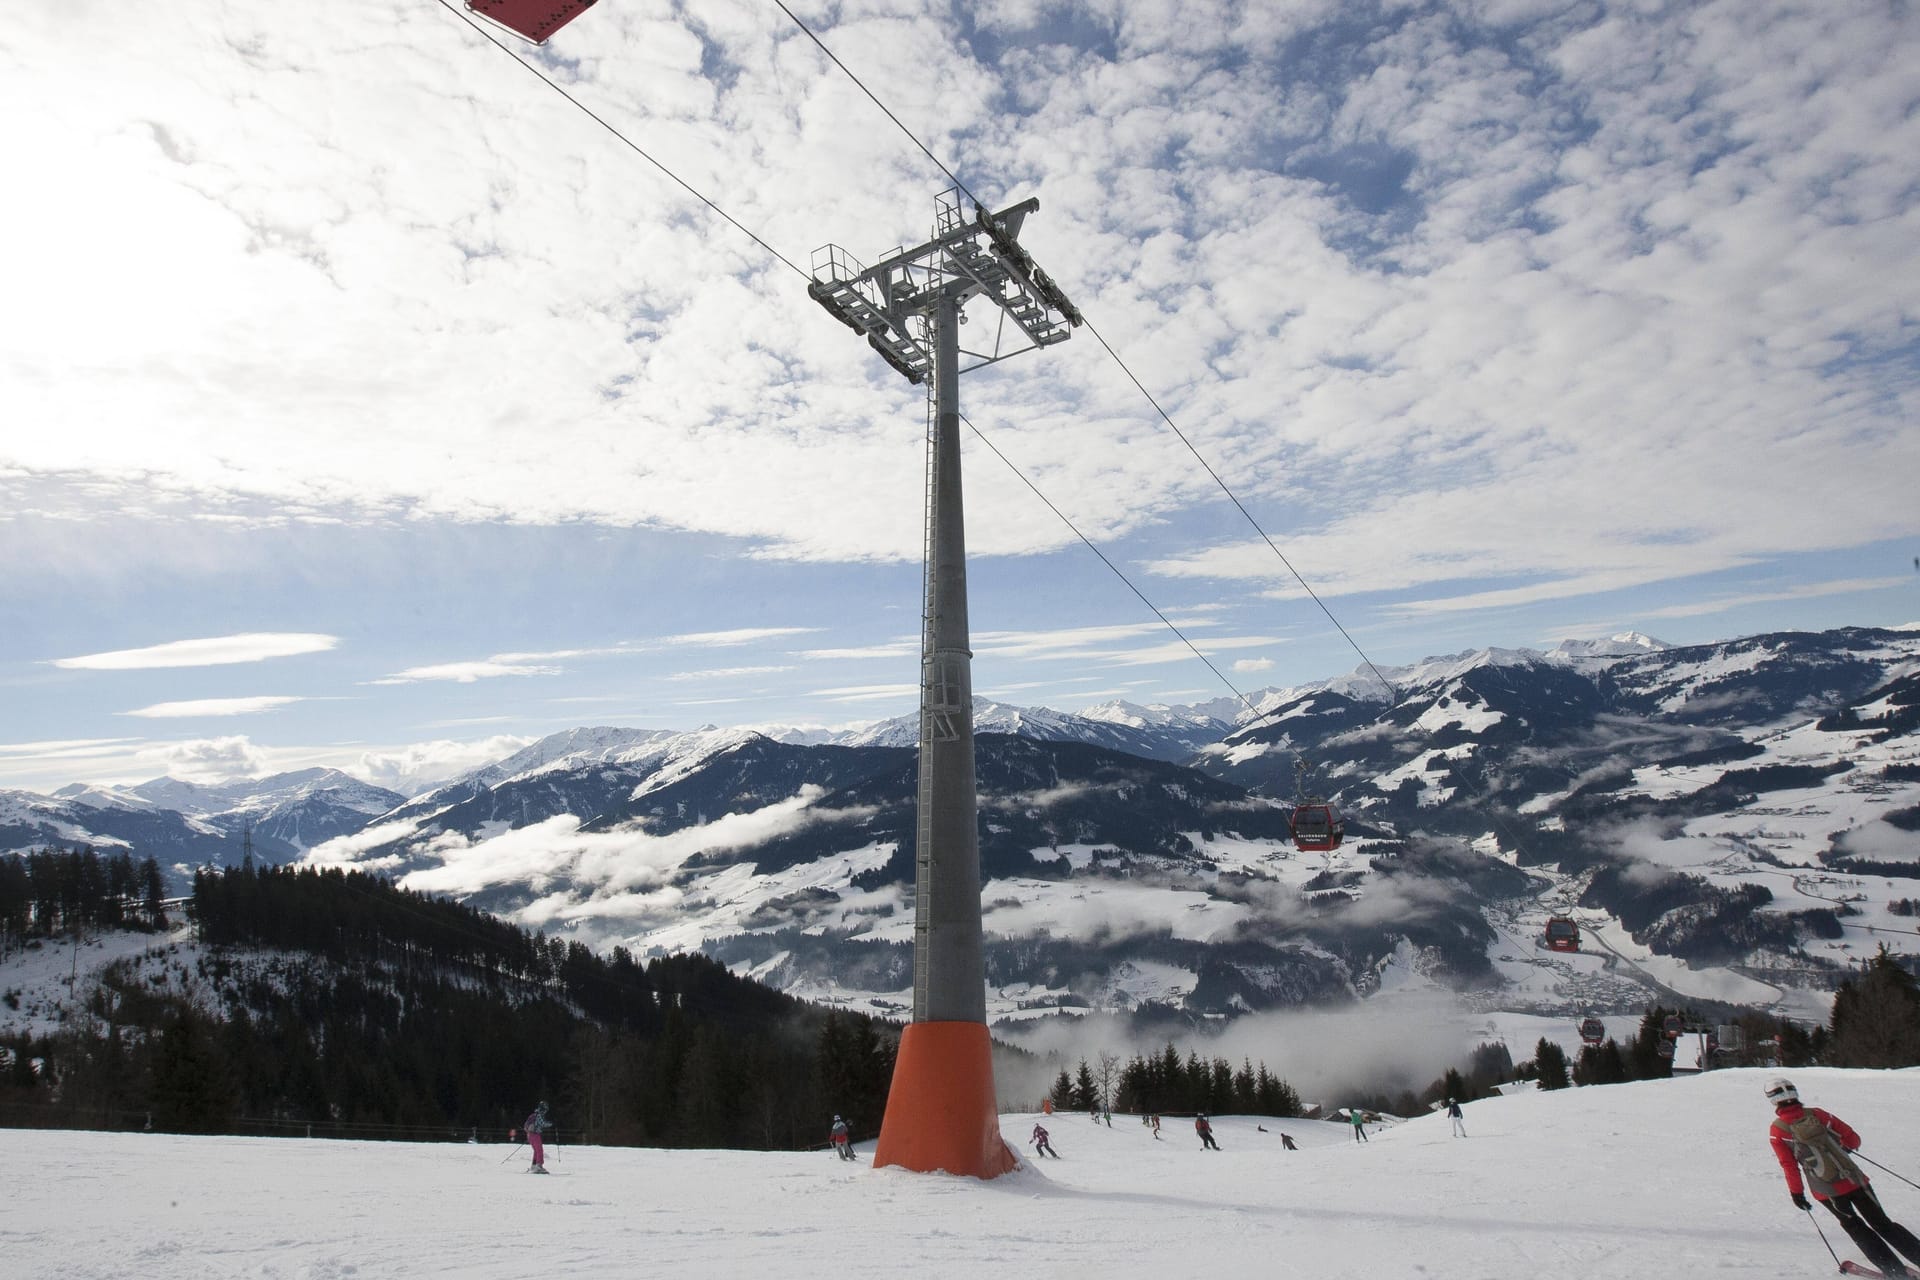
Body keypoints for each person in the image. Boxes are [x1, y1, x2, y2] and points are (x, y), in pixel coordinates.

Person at [1766, 1078, 1920, 1278]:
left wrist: (1797, 1193)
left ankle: (1895, 1272)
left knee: (1855, 1227)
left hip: (1826, 1190)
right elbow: (1853, 1139)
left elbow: (1789, 1165)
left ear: (1773, 1100)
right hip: (1856, 1180)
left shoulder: (1777, 1130)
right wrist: (1843, 1147)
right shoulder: (1818, 1115)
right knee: (1883, 1224)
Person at [524, 1101, 551, 1173]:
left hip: (529, 1135)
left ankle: (533, 1166)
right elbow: (543, 1123)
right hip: (535, 1134)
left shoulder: (533, 1115)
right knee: (539, 1150)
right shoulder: (539, 1115)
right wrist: (551, 1124)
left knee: (536, 1151)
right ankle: (539, 1166)